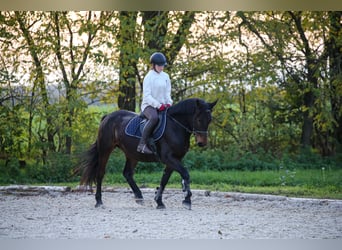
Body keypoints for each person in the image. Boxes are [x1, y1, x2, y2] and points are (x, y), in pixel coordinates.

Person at [137, 52, 173, 154]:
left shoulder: (166, 76)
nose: (162, 68)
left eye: (163, 65)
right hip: (149, 106)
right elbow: (147, 96)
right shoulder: (149, 77)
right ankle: (142, 144)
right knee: (154, 118)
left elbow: (167, 93)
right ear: (153, 65)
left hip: (163, 105)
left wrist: (169, 103)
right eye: (159, 65)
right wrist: (158, 105)